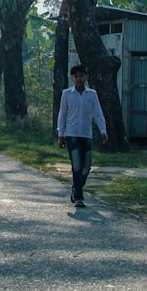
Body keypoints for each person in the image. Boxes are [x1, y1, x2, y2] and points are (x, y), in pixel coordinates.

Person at [57, 64, 108, 208]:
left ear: (86, 77)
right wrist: (61, 135)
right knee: (77, 165)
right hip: (71, 134)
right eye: (76, 76)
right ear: (72, 78)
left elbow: (98, 114)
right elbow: (62, 115)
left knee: (86, 166)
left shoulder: (92, 94)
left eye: (81, 76)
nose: (79, 78)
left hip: (86, 134)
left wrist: (103, 131)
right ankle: (78, 196)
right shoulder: (67, 94)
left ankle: (76, 186)